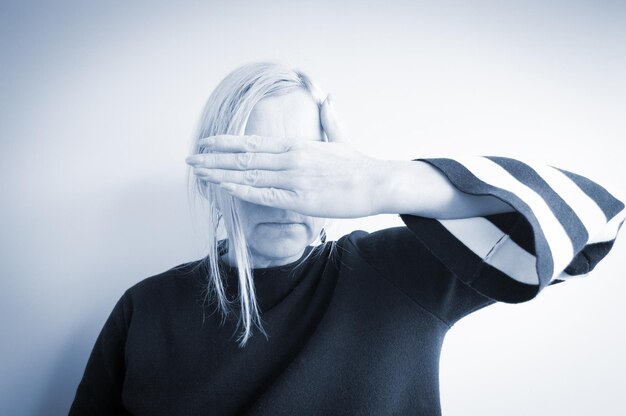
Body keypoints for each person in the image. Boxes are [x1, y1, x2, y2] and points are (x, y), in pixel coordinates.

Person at [69, 62, 625, 415]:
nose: (280, 193)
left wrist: (386, 183)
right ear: (212, 183)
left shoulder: (392, 274)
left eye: (303, 167)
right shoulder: (146, 308)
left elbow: (596, 222)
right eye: (255, 165)